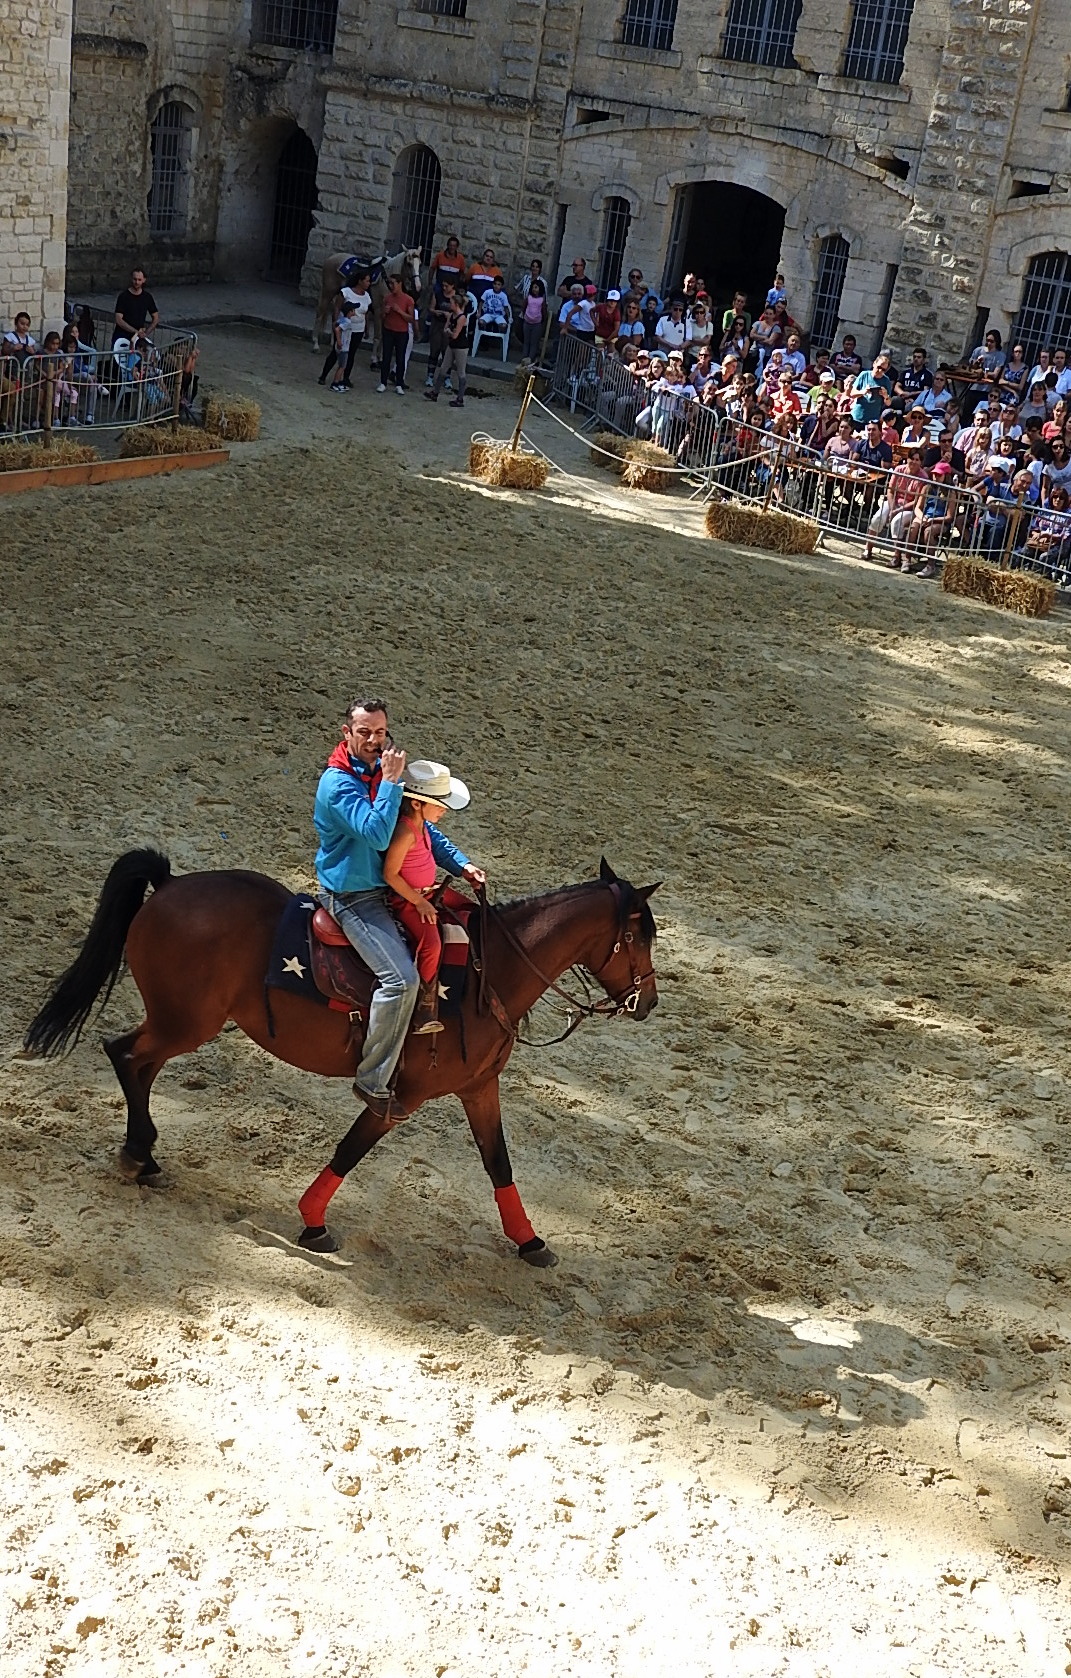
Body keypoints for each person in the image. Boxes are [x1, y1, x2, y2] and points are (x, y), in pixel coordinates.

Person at [313, 698, 485, 1119]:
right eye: (364, 732)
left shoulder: (380, 774)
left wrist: (460, 864)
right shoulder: (338, 785)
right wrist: (391, 781)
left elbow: (418, 825)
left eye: (380, 732)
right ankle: (372, 1079)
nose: (374, 740)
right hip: (354, 896)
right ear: (346, 733)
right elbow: (375, 833)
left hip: (388, 891)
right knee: (401, 980)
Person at [382, 761, 474, 1036]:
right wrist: (420, 902)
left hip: (428, 891)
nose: (444, 809)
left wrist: (466, 868)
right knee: (431, 944)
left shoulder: (422, 825)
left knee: (469, 910)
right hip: (409, 900)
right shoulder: (405, 832)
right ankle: (424, 1005)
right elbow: (390, 874)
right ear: (417, 803)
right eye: (439, 804)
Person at [424, 287, 469, 407]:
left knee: (461, 372)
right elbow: (446, 330)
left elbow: (454, 334)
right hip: (452, 345)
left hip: (461, 347)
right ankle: (435, 392)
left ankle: (460, 398)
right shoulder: (451, 316)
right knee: (443, 368)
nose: (450, 305)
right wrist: (449, 331)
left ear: (456, 304)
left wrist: (449, 331)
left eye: (452, 303)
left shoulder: (461, 317)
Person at [377, 272, 415, 394]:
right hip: (388, 330)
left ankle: (399, 383)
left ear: (400, 284)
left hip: (402, 332)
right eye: (389, 283)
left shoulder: (408, 300)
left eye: (393, 283)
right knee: (386, 357)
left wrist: (399, 311)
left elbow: (411, 319)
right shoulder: (387, 298)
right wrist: (385, 312)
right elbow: (381, 316)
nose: (391, 286)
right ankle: (383, 382)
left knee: (400, 358)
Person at [318, 300, 361, 392]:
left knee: (341, 365)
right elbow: (337, 329)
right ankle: (335, 383)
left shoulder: (342, 319)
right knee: (342, 366)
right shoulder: (347, 322)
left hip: (340, 347)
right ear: (350, 312)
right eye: (353, 310)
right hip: (343, 348)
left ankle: (336, 382)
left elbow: (335, 325)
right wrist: (339, 341)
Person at [113, 268, 159, 344]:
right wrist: (136, 331)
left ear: (144, 280)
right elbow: (118, 319)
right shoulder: (123, 297)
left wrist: (146, 333)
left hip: (138, 338)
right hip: (122, 336)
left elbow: (156, 317)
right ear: (131, 279)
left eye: (139, 280)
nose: (137, 282)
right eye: (135, 279)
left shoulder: (147, 297)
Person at [519, 268, 548, 362]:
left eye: (536, 287)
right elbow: (524, 307)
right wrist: (525, 316)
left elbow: (544, 311)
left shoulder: (542, 300)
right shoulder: (528, 298)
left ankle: (530, 359)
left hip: (537, 324)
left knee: (534, 343)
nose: (534, 289)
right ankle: (524, 358)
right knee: (526, 342)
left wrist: (542, 321)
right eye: (533, 287)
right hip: (527, 322)